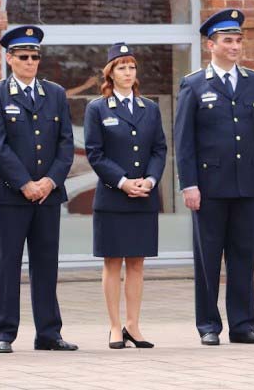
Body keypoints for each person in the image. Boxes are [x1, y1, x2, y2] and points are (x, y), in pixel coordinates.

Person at [174, 9, 254, 346]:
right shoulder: (194, 84)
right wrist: (188, 184)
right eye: (228, 41)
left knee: (243, 255)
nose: (235, 46)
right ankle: (208, 325)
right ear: (211, 45)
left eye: (238, 40)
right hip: (209, 187)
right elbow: (183, 140)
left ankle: (243, 325)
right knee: (208, 258)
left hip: (246, 184)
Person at [0, 25, 76, 354]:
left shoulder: (55, 94)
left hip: (48, 194)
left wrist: (50, 181)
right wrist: (24, 182)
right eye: (24, 56)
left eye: (35, 56)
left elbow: (66, 145)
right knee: (7, 264)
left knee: (46, 263)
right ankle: (2, 332)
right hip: (11, 194)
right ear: (10, 59)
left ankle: (49, 332)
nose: (31, 62)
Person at [83, 43, 167, 349]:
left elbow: (159, 149)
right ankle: (115, 326)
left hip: (143, 197)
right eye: (122, 67)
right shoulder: (97, 109)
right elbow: (95, 153)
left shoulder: (150, 109)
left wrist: (151, 179)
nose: (128, 72)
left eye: (132, 67)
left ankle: (134, 325)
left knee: (137, 264)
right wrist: (122, 181)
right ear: (110, 73)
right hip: (113, 198)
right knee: (112, 264)